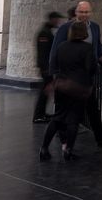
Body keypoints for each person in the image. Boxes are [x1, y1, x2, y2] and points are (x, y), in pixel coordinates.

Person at [48, 0, 102, 148]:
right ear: (76, 13)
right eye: (81, 12)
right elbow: (55, 52)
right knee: (64, 110)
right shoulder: (65, 28)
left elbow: (97, 50)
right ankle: (63, 139)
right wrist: (54, 75)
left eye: (87, 12)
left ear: (91, 13)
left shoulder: (94, 27)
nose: (84, 15)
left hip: (86, 79)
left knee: (93, 108)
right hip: (68, 78)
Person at [39, 21, 96, 162]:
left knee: (57, 118)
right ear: (84, 32)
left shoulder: (61, 46)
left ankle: (44, 148)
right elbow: (91, 68)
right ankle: (68, 150)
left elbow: (55, 64)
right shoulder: (87, 48)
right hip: (78, 88)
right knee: (73, 120)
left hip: (61, 86)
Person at [33, 11, 65, 123]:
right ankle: (38, 116)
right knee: (44, 92)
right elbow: (43, 53)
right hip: (46, 68)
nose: (58, 22)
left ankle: (41, 113)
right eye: (57, 19)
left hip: (47, 67)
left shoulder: (47, 31)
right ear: (52, 19)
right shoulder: (44, 33)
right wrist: (46, 69)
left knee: (45, 91)